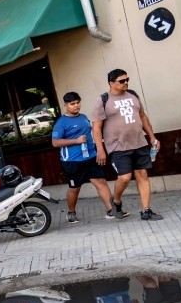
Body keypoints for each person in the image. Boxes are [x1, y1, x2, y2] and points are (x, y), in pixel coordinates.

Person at [91, 69, 163, 221]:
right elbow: (96, 127)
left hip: (139, 143)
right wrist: (100, 149)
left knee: (142, 175)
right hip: (117, 146)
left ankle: (146, 210)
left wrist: (152, 137)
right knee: (124, 177)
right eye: (122, 81)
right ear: (111, 83)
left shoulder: (133, 95)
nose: (126, 83)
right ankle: (116, 201)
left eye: (127, 79)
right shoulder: (103, 100)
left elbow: (142, 116)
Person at [51, 92, 118, 223]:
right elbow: (55, 142)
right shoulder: (61, 122)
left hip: (91, 157)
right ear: (65, 105)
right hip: (72, 161)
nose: (76, 106)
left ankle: (111, 210)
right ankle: (71, 213)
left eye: (78, 103)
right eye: (72, 104)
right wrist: (76, 141)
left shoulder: (83, 117)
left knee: (101, 182)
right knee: (75, 188)